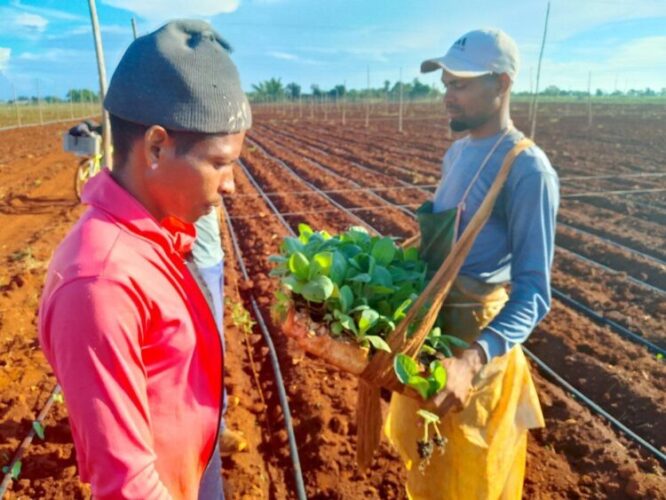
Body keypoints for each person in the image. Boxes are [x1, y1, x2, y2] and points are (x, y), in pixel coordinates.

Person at [38, 19, 251, 499]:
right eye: (220, 163)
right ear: (156, 147)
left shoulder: (157, 238)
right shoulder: (102, 284)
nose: (231, 185)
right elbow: (128, 486)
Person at [385, 29, 559, 499]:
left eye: (460, 84)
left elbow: (534, 293)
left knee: (471, 479)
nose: (447, 95)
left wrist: (471, 359)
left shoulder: (527, 169)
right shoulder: (457, 153)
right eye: (446, 84)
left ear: (501, 83)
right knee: (427, 472)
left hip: (476, 355)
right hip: (432, 338)